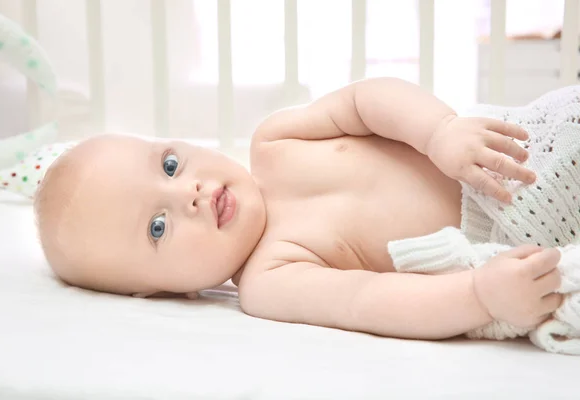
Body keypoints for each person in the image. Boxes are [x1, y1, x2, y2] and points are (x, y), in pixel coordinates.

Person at [35, 77, 580, 346]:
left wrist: (439, 130)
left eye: (171, 165)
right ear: (162, 291)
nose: (190, 195)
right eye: (159, 226)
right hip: (527, 232)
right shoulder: (270, 280)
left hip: (517, 143)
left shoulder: (275, 141)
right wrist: (480, 295)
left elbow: (366, 101)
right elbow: (373, 301)